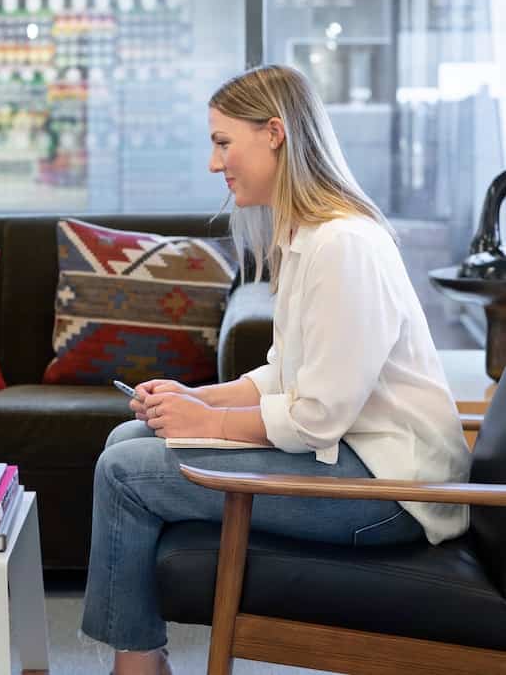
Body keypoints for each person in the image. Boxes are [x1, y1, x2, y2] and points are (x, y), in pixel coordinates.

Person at [80, 64, 471, 675]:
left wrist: (207, 418)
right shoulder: (307, 238)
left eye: (222, 142)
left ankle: (137, 665)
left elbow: (316, 416)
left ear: (274, 133)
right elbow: (281, 375)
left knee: (126, 469)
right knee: (129, 437)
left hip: (393, 491)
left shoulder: (343, 245)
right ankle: (141, 658)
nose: (215, 164)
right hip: (354, 459)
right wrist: (192, 397)